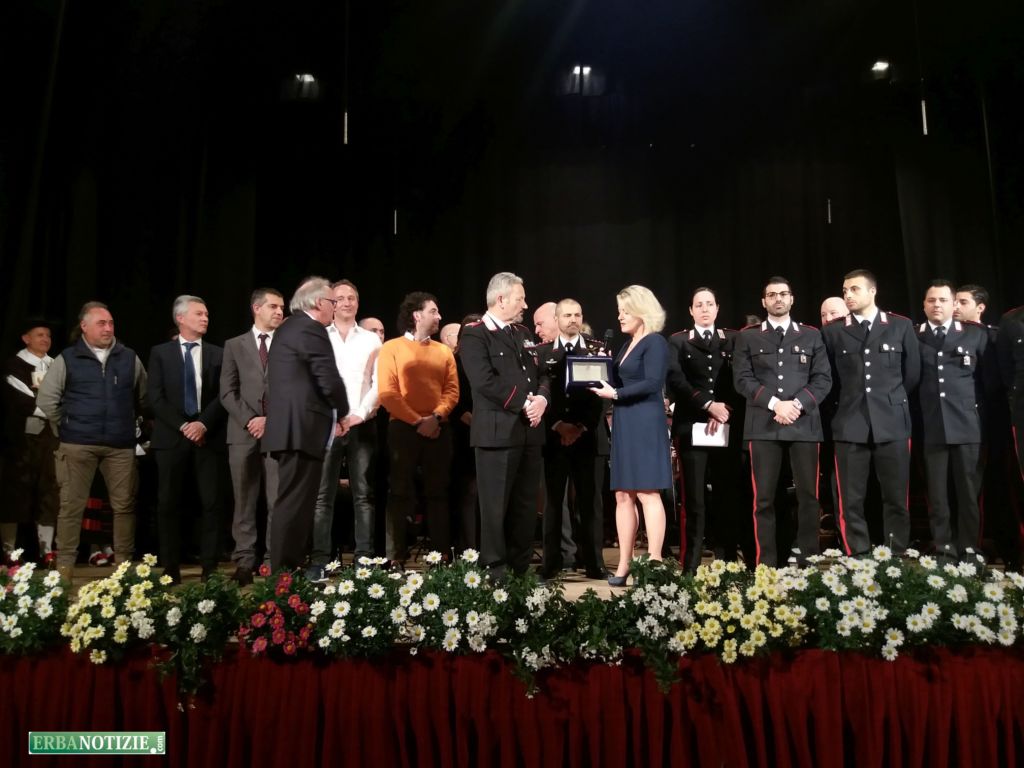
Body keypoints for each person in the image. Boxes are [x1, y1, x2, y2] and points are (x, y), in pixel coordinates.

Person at [36, 302, 147, 582]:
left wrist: (130, 424)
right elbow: (47, 399)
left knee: (124, 506)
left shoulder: (129, 357)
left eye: (110, 323)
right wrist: (67, 424)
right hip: (78, 444)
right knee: (71, 507)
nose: (108, 328)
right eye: (101, 323)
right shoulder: (68, 358)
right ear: (84, 327)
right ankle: (64, 572)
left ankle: (124, 571)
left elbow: (143, 397)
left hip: (119, 445)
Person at [732, 277, 832, 566]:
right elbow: (742, 379)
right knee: (763, 499)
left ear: (792, 299)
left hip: (804, 425)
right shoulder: (748, 337)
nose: (778, 298)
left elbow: (823, 379)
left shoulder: (811, 335)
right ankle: (766, 565)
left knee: (808, 497)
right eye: (772, 295)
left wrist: (796, 405)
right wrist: (775, 404)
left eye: (783, 294)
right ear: (764, 302)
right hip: (763, 425)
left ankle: (808, 562)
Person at [822, 269, 920, 555]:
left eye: (854, 289)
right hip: (849, 422)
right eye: (845, 290)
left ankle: (895, 555)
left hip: (892, 422)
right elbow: (828, 379)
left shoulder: (900, 326)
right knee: (850, 500)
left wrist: (888, 401)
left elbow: (911, 374)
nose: (848, 295)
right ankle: (858, 556)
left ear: (872, 291)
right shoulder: (833, 331)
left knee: (896, 498)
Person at [459, 272, 551, 577]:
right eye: (520, 299)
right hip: (496, 435)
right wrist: (524, 402)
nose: (525, 304)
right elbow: (483, 381)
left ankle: (519, 570)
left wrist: (542, 399)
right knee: (495, 507)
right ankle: (495, 571)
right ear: (500, 299)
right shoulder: (475, 334)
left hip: (529, 433)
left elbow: (541, 373)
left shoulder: (522, 332)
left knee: (525, 506)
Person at [262, 277, 348, 572]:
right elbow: (327, 377)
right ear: (318, 303)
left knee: (295, 502)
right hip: (300, 429)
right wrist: (344, 412)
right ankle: (285, 574)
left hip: (292, 429)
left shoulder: (289, 328)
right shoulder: (310, 328)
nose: (335, 308)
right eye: (333, 302)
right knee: (294, 503)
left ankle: (288, 570)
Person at [591, 285, 671, 586]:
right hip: (625, 421)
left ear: (641, 311)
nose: (620, 316)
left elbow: (652, 383)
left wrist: (616, 394)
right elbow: (617, 381)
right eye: (619, 311)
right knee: (623, 494)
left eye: (625, 311)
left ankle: (654, 562)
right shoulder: (627, 345)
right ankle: (624, 564)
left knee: (648, 492)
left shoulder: (655, 342)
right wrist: (601, 365)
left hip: (645, 421)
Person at [667, 287, 749, 573]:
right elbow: (676, 380)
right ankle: (690, 565)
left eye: (709, 304)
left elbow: (742, 379)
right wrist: (707, 405)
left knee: (728, 496)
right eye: (699, 305)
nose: (704, 309)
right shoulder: (678, 341)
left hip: (726, 426)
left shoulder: (734, 339)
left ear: (717, 308)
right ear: (691, 310)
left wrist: (724, 410)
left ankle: (726, 562)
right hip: (692, 427)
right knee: (694, 500)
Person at [147, 295, 227, 582]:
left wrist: (202, 424)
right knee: (169, 503)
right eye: (198, 314)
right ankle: (170, 567)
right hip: (172, 437)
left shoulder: (219, 353)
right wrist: (184, 426)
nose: (205, 318)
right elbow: (155, 397)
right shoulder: (160, 353)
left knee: (212, 503)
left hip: (208, 437)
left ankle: (210, 568)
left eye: (206, 314)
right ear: (180, 318)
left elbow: (224, 394)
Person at [377, 292, 459, 565]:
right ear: (416, 315)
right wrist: (417, 421)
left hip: (438, 429)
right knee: (399, 492)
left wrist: (435, 417)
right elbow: (388, 393)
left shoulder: (444, 351)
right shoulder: (391, 348)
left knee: (439, 493)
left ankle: (440, 558)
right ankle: (396, 558)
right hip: (403, 429)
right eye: (433, 311)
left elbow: (452, 391)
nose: (439, 316)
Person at [309, 280, 382, 579]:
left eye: (352, 297)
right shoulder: (318, 336)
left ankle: (364, 559)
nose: (347, 302)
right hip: (327, 425)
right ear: (331, 303)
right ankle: (319, 560)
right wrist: (333, 417)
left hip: (361, 423)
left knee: (363, 494)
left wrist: (358, 415)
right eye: (340, 298)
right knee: (322, 496)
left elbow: (379, 383)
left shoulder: (371, 339)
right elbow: (313, 381)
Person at [912, 279, 989, 561]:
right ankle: (944, 549)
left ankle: (969, 550)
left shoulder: (975, 334)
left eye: (943, 300)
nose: (937, 305)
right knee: (937, 495)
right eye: (931, 300)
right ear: (924, 305)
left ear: (953, 303)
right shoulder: (914, 335)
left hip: (968, 427)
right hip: (930, 427)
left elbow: (987, 382)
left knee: (968, 494)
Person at [537, 299, 607, 579]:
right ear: (556, 319)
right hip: (554, 438)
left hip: (586, 437)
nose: (573, 319)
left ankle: (594, 562)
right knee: (553, 503)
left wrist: (580, 427)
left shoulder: (596, 349)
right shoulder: (541, 353)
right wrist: (558, 425)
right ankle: (551, 563)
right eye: (567, 315)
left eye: (577, 314)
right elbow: (541, 393)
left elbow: (600, 395)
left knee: (589, 503)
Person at [220, 287, 284, 585]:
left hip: (277, 432)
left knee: (277, 499)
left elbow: (293, 389)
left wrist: (270, 420)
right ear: (256, 308)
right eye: (273, 306)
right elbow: (227, 392)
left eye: (281, 307)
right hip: (242, 433)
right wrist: (251, 420)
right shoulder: (234, 345)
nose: (279, 312)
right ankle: (244, 561)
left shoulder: (287, 344)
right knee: (244, 500)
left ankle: (273, 560)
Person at [956, 284, 1022, 567]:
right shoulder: (943, 338)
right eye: (954, 301)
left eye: (963, 302)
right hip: (966, 426)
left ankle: (1009, 550)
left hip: (996, 425)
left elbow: (1000, 381)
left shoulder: (994, 335)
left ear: (980, 307)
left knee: (1000, 489)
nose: (956, 307)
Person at [1, 320, 58, 564]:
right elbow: (20, 397)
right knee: (15, 494)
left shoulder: (57, 365)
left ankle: (47, 550)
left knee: (49, 492)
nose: (45, 339)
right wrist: (53, 411)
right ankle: (9, 551)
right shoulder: (14, 365)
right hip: (21, 441)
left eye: (48, 335)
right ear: (26, 338)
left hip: (51, 439)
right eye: (39, 335)